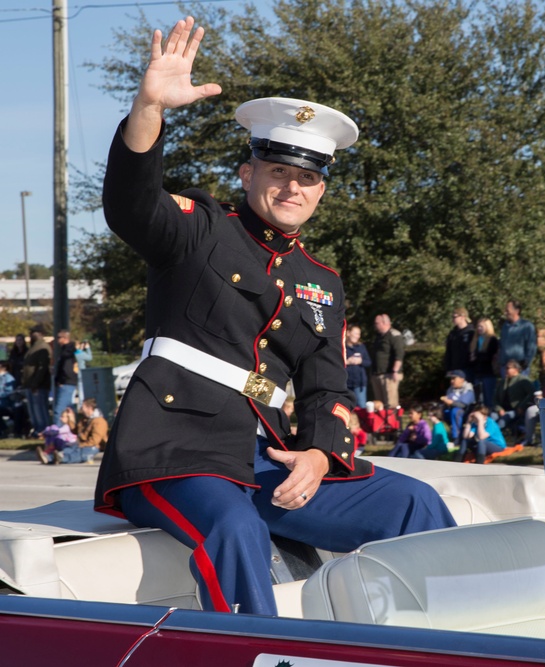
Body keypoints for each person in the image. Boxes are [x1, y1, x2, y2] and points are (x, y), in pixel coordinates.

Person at [94, 17, 454, 617]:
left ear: (321, 192)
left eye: (308, 177)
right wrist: (148, 109)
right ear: (248, 173)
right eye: (279, 171)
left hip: (267, 461)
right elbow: (130, 204)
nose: (293, 187)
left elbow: (327, 387)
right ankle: (260, 655)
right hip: (173, 452)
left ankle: (446, 641)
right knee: (237, 531)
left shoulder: (322, 280)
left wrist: (319, 454)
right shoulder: (200, 230)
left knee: (414, 503)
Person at [21, 325, 51, 436]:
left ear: (39, 333)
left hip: (38, 385)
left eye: (33, 332)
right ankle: (37, 429)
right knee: (33, 410)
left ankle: (43, 430)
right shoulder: (34, 346)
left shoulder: (42, 347)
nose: (31, 335)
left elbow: (42, 368)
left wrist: (35, 383)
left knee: (40, 409)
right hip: (30, 384)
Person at [494, 360, 535, 442]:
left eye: (508, 368)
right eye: (505, 368)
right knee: (492, 418)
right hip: (502, 409)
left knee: (503, 420)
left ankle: (494, 439)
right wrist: (499, 409)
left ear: (516, 369)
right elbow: (495, 399)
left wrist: (521, 406)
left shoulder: (523, 380)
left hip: (515, 410)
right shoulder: (502, 382)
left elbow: (531, 394)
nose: (505, 370)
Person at [371, 313, 405, 408]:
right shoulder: (379, 337)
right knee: (379, 405)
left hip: (389, 375)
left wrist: (395, 370)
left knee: (390, 404)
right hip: (378, 374)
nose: (375, 325)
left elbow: (399, 354)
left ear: (384, 323)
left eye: (376, 323)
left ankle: (392, 422)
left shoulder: (394, 335)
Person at [498, 300, 537, 377]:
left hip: (519, 368)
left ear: (517, 311)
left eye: (508, 310)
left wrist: (525, 363)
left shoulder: (526, 326)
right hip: (505, 368)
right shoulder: (505, 327)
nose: (505, 312)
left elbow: (531, 347)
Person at [469, 317, 499, 408]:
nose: (479, 329)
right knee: (479, 399)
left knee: (489, 398)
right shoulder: (475, 340)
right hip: (478, 372)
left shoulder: (492, 340)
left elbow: (490, 356)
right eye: (478, 326)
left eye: (482, 326)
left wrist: (477, 356)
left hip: (488, 372)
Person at [440, 370, 475, 441]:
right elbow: (447, 400)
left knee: (455, 411)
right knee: (442, 412)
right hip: (452, 410)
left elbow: (463, 404)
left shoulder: (468, 389)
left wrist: (451, 402)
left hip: (466, 411)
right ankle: (446, 436)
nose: (451, 381)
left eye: (454, 378)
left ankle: (457, 438)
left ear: (462, 379)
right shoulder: (450, 389)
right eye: (451, 379)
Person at [52, 329, 79, 421]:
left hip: (66, 383)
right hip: (68, 383)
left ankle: (57, 432)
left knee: (59, 411)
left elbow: (67, 369)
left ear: (65, 338)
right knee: (69, 409)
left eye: (59, 337)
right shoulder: (66, 350)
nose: (57, 340)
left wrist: (62, 380)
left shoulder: (68, 352)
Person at [344, 324, 372, 407]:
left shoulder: (361, 347)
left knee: (361, 407)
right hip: (346, 384)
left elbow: (368, 362)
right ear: (348, 333)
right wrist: (347, 362)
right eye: (356, 333)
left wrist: (361, 361)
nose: (358, 336)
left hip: (359, 384)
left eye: (359, 334)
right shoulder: (342, 347)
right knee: (347, 407)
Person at [444, 308, 474, 377]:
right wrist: (448, 368)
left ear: (462, 317)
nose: (453, 319)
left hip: (467, 369)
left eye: (455, 317)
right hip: (454, 369)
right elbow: (448, 352)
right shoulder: (452, 334)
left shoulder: (471, 333)